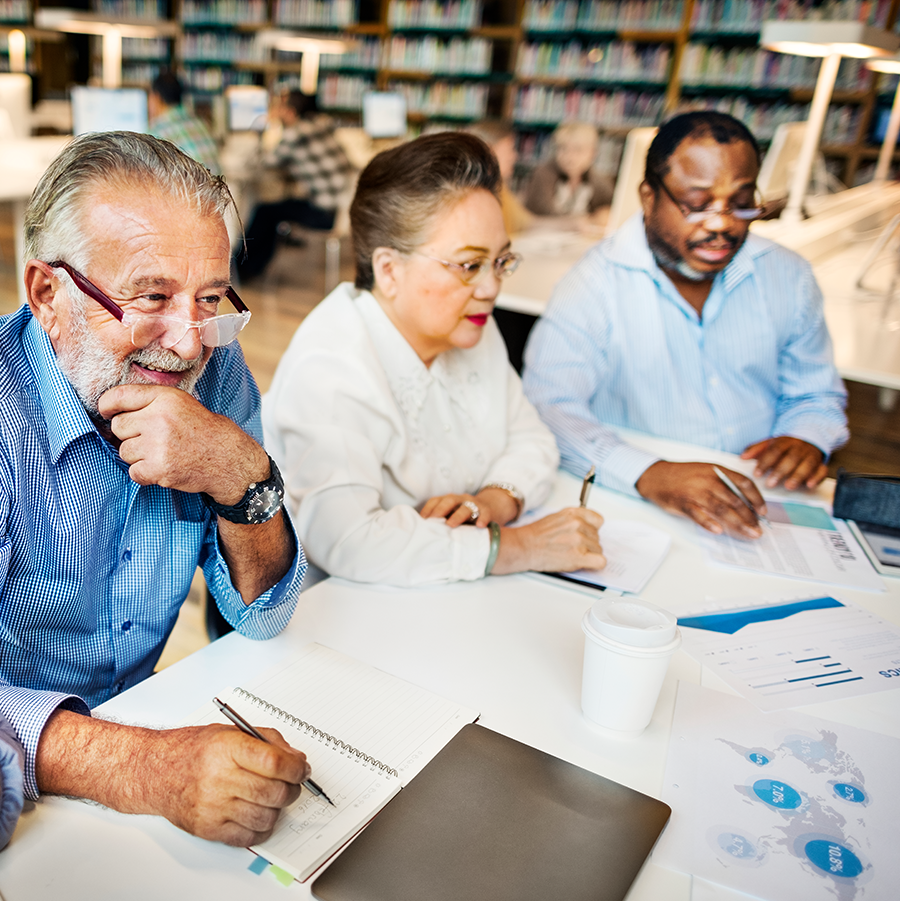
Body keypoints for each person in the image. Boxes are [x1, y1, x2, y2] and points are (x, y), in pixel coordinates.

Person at [2, 131, 309, 847]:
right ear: (47, 294)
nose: (186, 343)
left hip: (151, 727)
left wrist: (242, 474)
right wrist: (147, 767)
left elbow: (264, 613)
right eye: (150, 295)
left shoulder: (219, 372)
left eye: (208, 298)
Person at [263, 132, 606, 586]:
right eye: (468, 265)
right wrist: (516, 546)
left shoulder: (466, 327)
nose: (490, 289)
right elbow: (346, 539)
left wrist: (494, 499)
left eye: (500, 262)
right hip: (345, 617)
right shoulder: (331, 367)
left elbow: (533, 439)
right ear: (389, 270)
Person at [522, 111, 849, 540]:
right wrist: (650, 473)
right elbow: (549, 408)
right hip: (639, 503)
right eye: (696, 204)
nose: (722, 223)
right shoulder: (593, 285)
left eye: (741, 201)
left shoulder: (788, 275)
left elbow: (816, 393)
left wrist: (806, 435)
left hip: (762, 498)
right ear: (647, 196)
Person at [236, 89, 353, 281]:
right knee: (277, 210)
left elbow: (266, 162)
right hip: (340, 209)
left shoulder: (295, 134)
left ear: (290, 112)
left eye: (280, 107)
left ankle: (243, 270)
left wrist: (261, 127)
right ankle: (253, 267)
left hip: (325, 214)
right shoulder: (321, 125)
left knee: (266, 212)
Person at [523, 121, 614, 218]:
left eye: (578, 150)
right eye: (563, 148)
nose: (569, 157)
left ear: (592, 153)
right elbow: (547, 214)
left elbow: (613, 206)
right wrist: (590, 218)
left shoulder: (598, 180)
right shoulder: (542, 175)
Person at [464, 119, 534, 235]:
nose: (515, 156)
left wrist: (573, 224)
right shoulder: (471, 193)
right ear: (489, 150)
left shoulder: (499, 186)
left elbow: (527, 223)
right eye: (510, 149)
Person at [148, 71, 221, 175]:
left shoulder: (158, 131)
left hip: (191, 190)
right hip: (216, 188)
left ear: (156, 97)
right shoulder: (199, 123)